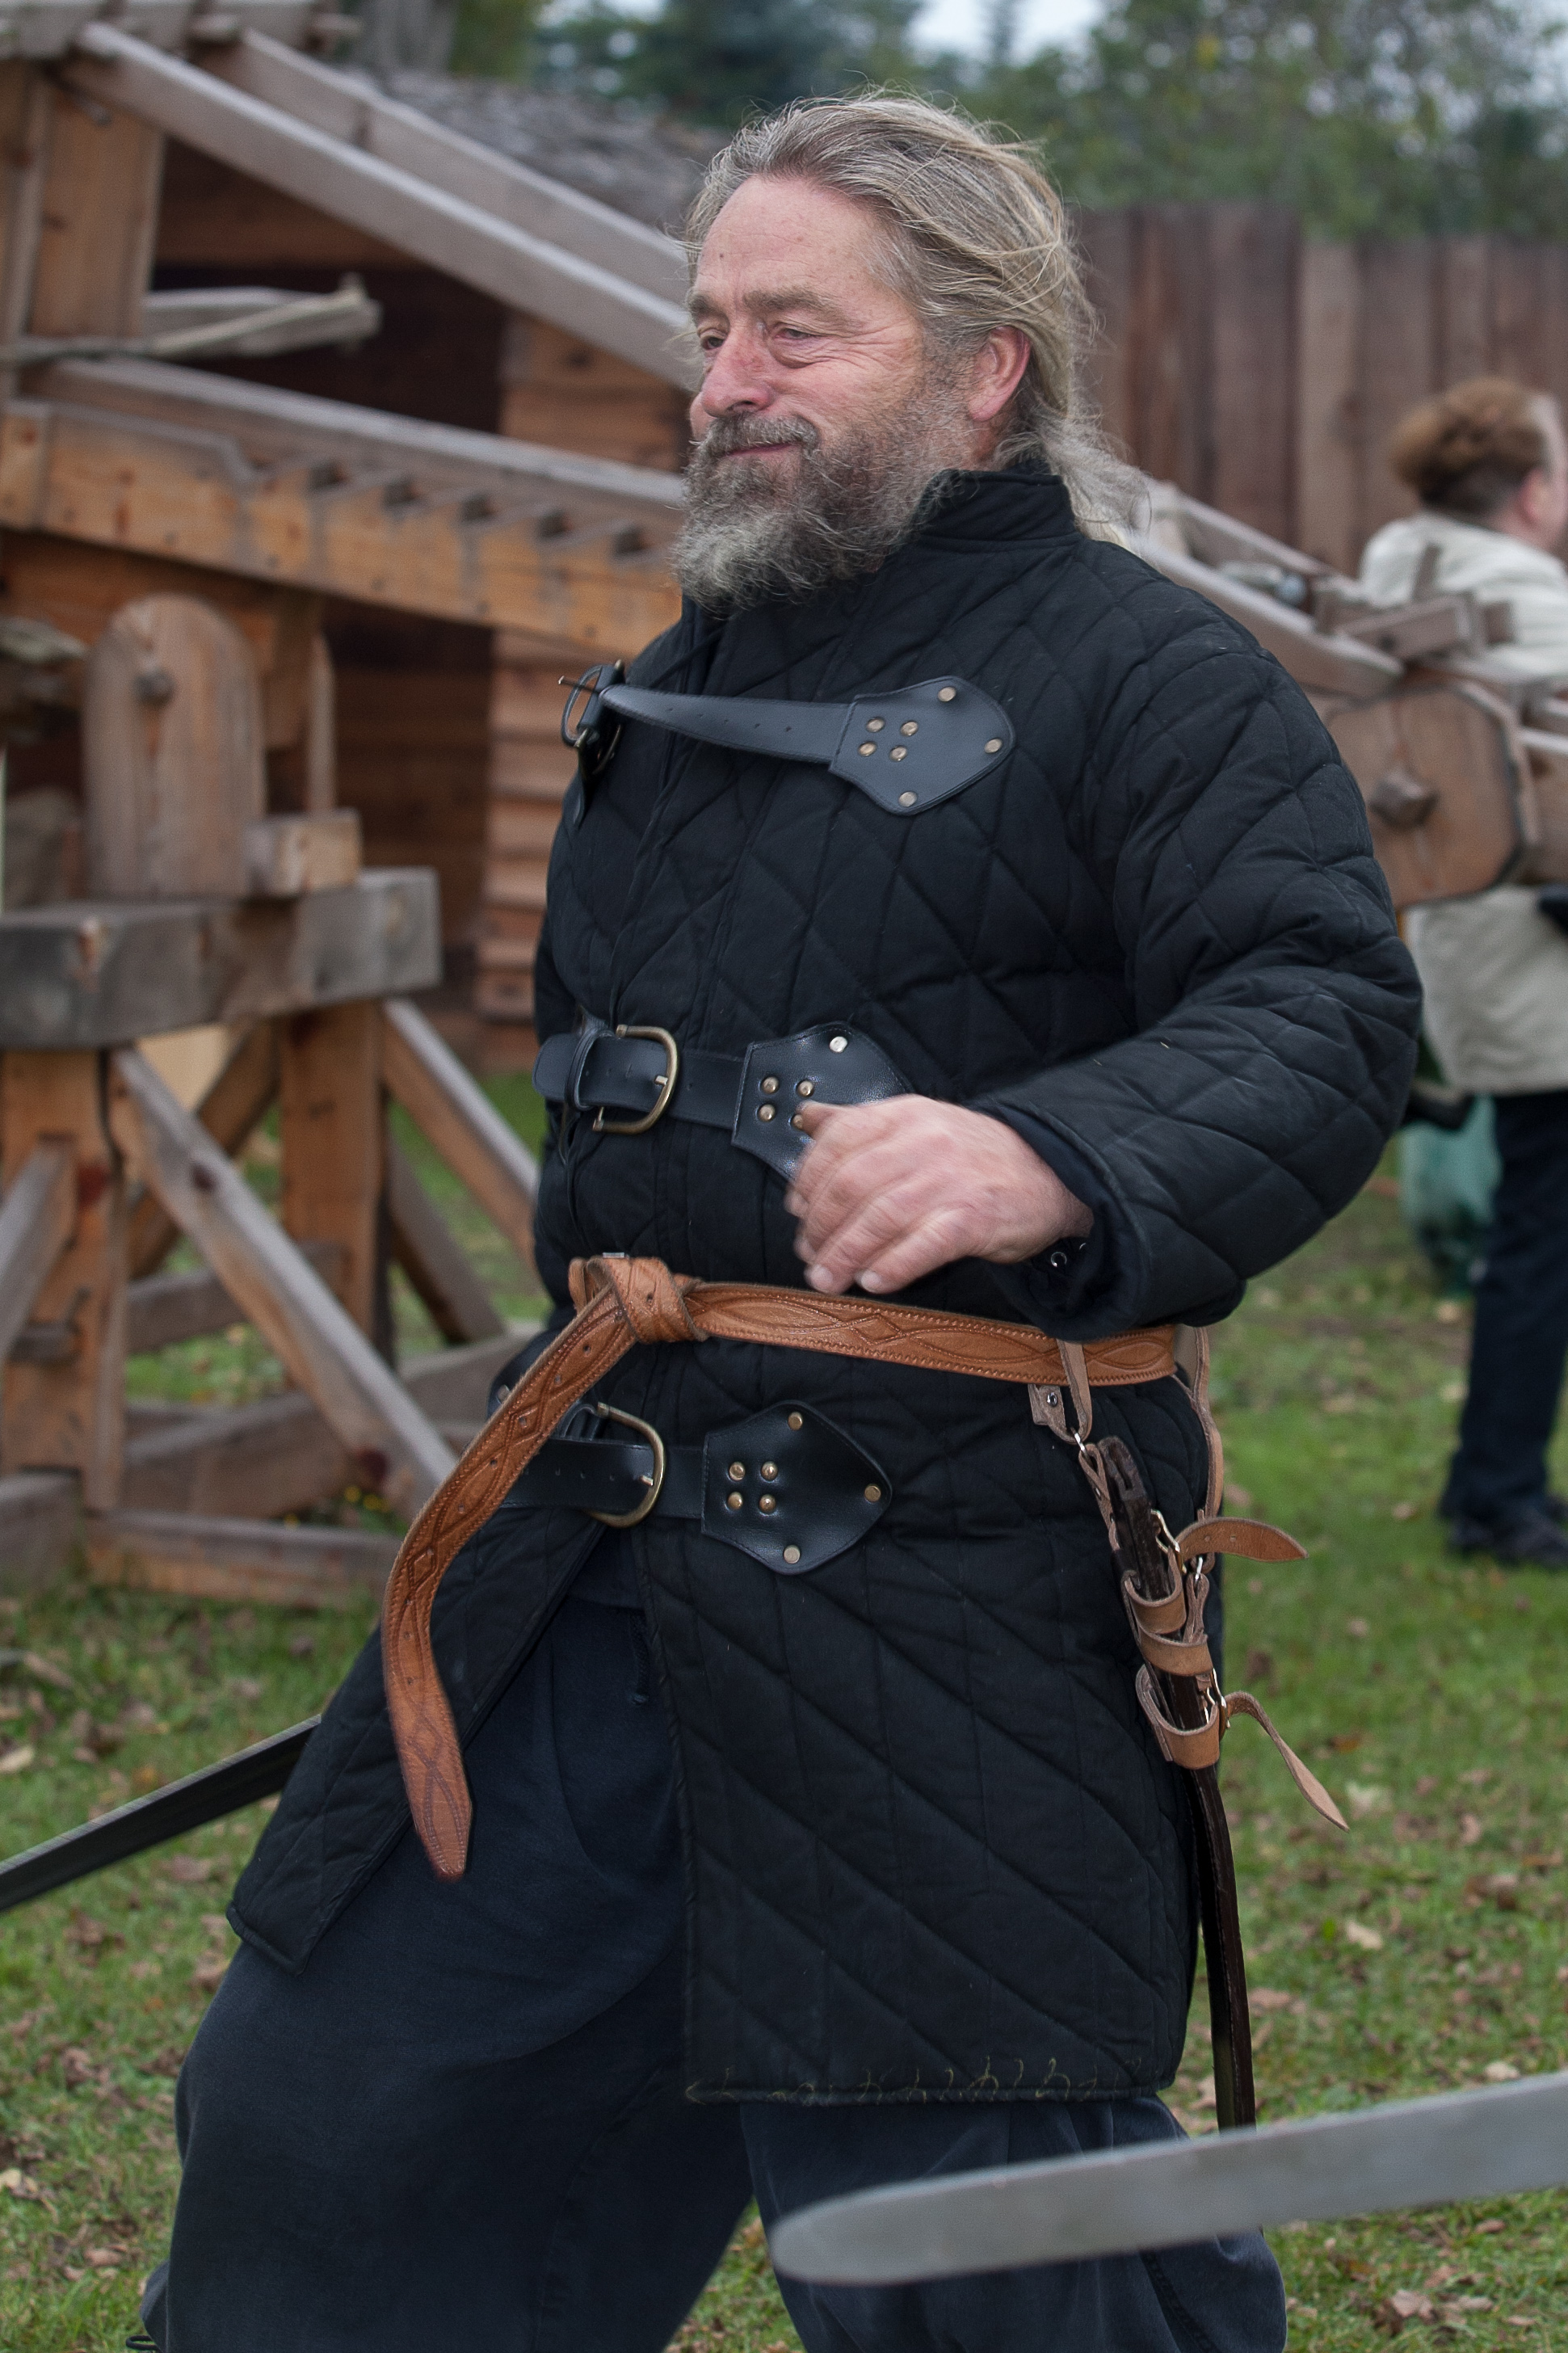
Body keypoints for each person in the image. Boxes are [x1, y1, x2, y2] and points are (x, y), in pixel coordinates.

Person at [141, 99, 1419, 2353]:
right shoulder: (692, 664)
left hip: (941, 1583)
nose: (723, 378)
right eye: (710, 326)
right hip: (591, 1549)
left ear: (983, 365)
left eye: (791, 331)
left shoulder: (1150, 673)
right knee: (333, 2121)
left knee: (991, 2245)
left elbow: (1319, 1003)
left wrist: (1055, 1151)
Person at [1362, 377, 1568, 1568]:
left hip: (1470, 936)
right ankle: (1496, 1495)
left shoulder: (1405, 568)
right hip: (1534, 946)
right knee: (1542, 1229)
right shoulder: (1521, 596)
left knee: (1537, 1221)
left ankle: (1499, 1482)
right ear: (1532, 492)